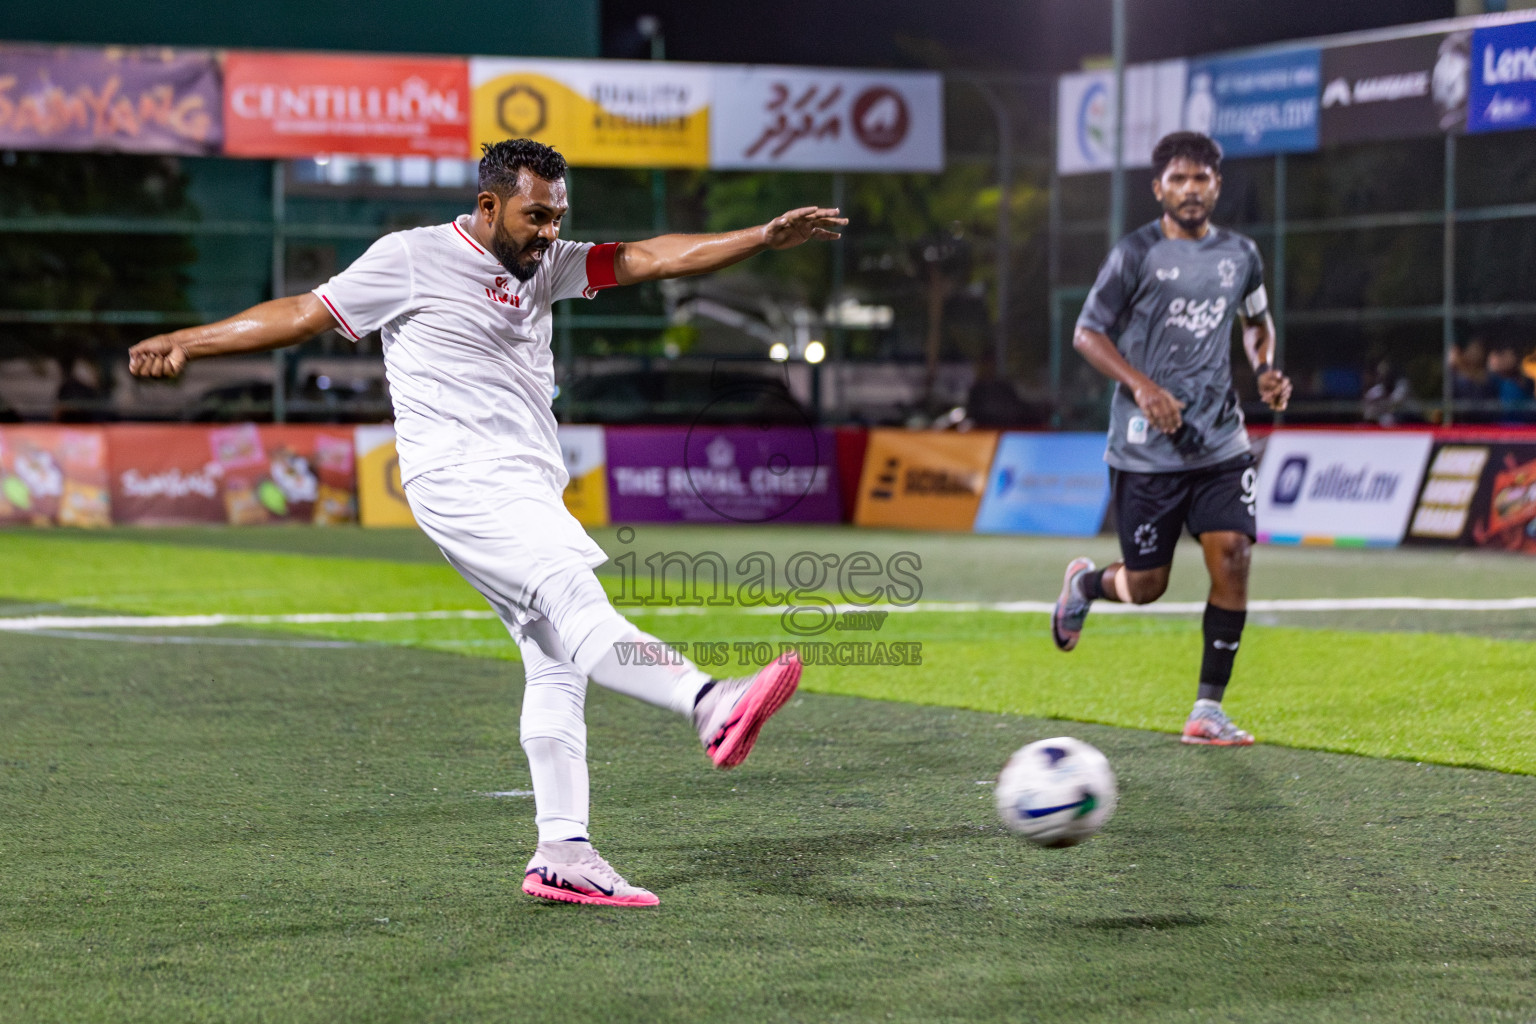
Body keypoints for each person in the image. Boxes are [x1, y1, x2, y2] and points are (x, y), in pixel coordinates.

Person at [128, 138, 847, 907]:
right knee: (578, 605)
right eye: (536, 216)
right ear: (488, 205)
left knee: (555, 661)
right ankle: (707, 703)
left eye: (558, 217)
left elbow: (652, 258)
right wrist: (187, 341)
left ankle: (562, 850)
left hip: (525, 484)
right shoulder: (410, 258)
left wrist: (759, 238)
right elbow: (306, 313)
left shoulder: (550, 265)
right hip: (464, 480)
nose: (549, 232)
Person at [1050, 131, 1292, 746]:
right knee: (1146, 585)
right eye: (1178, 180)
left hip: (1219, 438)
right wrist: (1143, 387)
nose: (1191, 189)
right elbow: (1087, 333)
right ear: (1158, 188)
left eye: (1201, 178)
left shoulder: (1241, 254)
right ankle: (1085, 584)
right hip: (1146, 447)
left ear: (1216, 185)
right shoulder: (1135, 254)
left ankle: (1207, 710)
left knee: (1233, 555)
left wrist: (1264, 368)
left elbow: (1257, 321)